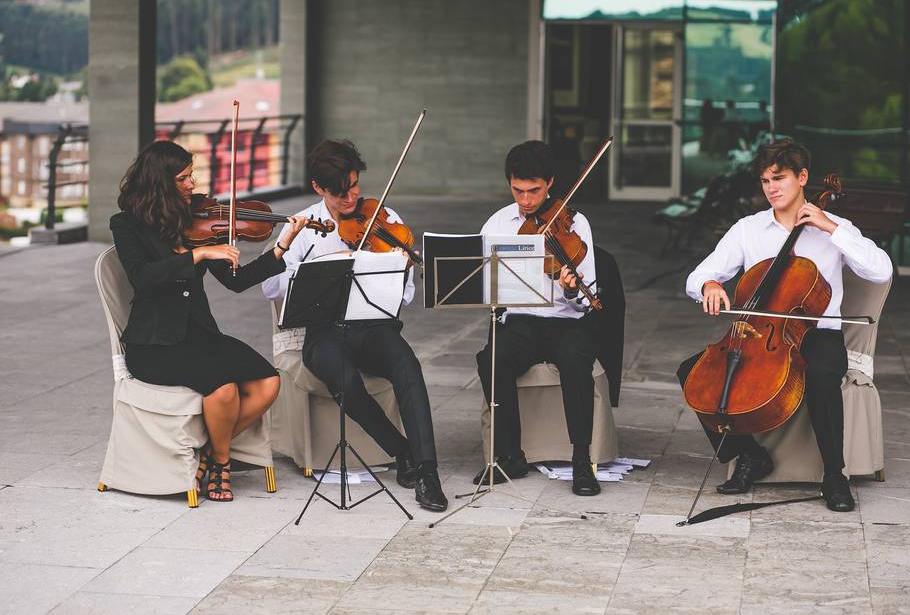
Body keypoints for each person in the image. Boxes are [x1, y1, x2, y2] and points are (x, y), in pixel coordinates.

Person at [676, 138, 893, 511]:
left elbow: (881, 270)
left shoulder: (835, 226)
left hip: (819, 332)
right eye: (765, 181)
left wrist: (830, 228)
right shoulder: (749, 229)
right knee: (691, 373)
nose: (771, 188)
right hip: (759, 334)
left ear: (802, 177)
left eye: (779, 178)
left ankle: (834, 477)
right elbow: (699, 275)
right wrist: (709, 285)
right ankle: (748, 456)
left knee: (823, 376)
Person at [110, 140, 309, 502]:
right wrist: (199, 253)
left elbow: (236, 282)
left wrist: (282, 246)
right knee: (224, 387)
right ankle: (221, 464)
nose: (192, 184)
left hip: (197, 335)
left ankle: (208, 455)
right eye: (183, 178)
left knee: (268, 382)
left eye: (190, 176)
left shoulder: (195, 221)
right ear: (159, 182)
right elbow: (143, 276)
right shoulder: (127, 225)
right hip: (154, 343)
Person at [261, 139, 448, 512]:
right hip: (323, 332)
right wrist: (311, 263)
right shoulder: (303, 226)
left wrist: (399, 269)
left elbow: (405, 298)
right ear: (318, 188)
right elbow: (270, 287)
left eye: (354, 187)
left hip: (374, 326)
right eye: (339, 193)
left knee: (407, 367)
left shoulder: (384, 219)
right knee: (344, 378)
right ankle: (401, 451)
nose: (350, 199)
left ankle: (428, 473)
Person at [474, 140, 603, 496]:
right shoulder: (499, 222)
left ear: (550, 183)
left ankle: (581, 459)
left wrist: (571, 288)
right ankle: (510, 454)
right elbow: (481, 279)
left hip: (566, 322)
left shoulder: (575, 223)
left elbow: (587, 298)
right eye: (518, 191)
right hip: (521, 323)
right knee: (490, 360)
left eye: (534, 191)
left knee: (577, 362)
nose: (527, 201)